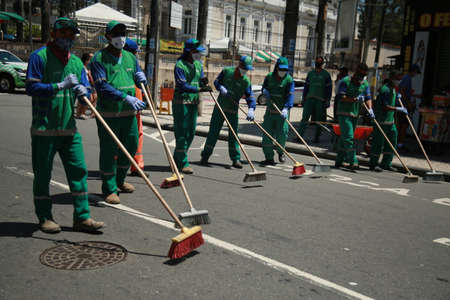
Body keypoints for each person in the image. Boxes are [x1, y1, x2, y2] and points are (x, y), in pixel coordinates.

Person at [26, 17, 104, 233]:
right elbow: (31, 87)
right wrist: (59, 85)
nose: (68, 38)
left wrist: (83, 92)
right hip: (44, 129)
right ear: (54, 34)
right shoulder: (39, 57)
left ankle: (82, 217)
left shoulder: (77, 62)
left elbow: (85, 93)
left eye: (71, 35)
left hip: (69, 129)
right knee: (42, 174)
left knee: (79, 171)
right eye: (64, 34)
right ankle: (44, 217)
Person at [90, 20, 147, 204]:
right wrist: (125, 97)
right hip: (109, 115)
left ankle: (120, 181)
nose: (120, 37)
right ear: (107, 36)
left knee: (130, 148)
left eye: (123, 33)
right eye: (115, 34)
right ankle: (108, 188)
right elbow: (102, 87)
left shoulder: (131, 58)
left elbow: (137, 78)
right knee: (109, 151)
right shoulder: (99, 59)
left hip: (129, 114)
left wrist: (142, 78)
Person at [200, 56, 256, 168]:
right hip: (219, 109)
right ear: (239, 65)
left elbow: (250, 96)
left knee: (234, 136)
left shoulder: (245, 81)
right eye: (244, 68)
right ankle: (205, 156)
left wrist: (251, 109)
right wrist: (221, 87)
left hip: (233, 111)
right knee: (213, 133)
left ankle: (235, 159)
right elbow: (216, 82)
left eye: (247, 69)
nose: (245, 71)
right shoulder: (227, 72)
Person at [173, 38, 211, 174]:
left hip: (193, 103)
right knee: (182, 133)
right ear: (188, 51)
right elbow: (182, 85)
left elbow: (200, 79)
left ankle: (178, 157)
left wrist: (204, 82)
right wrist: (199, 90)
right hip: (181, 103)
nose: (198, 55)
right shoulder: (180, 65)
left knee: (191, 133)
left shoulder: (199, 64)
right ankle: (183, 162)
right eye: (196, 52)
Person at [335, 63, 373, 169]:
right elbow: (342, 97)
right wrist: (355, 99)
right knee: (349, 137)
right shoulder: (345, 81)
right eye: (360, 76)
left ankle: (339, 161)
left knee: (344, 139)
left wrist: (370, 109)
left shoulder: (365, 84)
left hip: (355, 114)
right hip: (344, 113)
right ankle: (353, 161)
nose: (360, 80)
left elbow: (368, 97)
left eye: (363, 77)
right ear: (356, 72)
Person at [370, 70, 408, 172]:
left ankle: (386, 163)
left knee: (392, 142)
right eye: (397, 79)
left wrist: (398, 100)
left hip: (390, 122)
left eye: (400, 79)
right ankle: (373, 164)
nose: (399, 81)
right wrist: (398, 109)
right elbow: (385, 106)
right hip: (381, 121)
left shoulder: (393, 89)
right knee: (378, 144)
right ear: (392, 78)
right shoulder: (385, 89)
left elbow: (393, 102)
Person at [122, 38, 149, 177]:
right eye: (134, 52)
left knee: (137, 135)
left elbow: (140, 84)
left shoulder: (134, 64)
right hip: (123, 106)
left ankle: (137, 166)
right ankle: (117, 168)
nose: (136, 54)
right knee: (122, 137)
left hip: (136, 105)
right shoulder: (120, 64)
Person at [260, 56, 294, 165]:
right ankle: (269, 157)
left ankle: (280, 152)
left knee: (282, 134)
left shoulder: (289, 80)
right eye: (281, 69)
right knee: (266, 135)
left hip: (282, 113)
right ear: (276, 68)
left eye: (285, 69)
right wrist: (265, 91)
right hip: (270, 111)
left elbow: (290, 95)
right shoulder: (269, 77)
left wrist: (286, 108)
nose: (283, 71)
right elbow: (264, 87)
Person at [297, 56, 332, 143]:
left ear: (322, 63)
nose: (318, 63)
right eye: (317, 61)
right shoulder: (310, 74)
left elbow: (329, 89)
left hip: (320, 101)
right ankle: (299, 137)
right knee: (304, 119)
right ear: (315, 62)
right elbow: (306, 87)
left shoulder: (326, 75)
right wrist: (303, 98)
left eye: (320, 61)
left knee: (319, 121)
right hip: (309, 99)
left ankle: (317, 138)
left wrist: (328, 100)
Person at [397, 64, 421, 153]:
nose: (416, 74)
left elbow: (406, 91)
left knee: (402, 124)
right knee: (404, 125)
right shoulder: (407, 78)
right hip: (403, 105)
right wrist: (408, 103)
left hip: (403, 104)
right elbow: (402, 90)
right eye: (416, 72)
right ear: (413, 71)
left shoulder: (406, 78)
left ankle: (399, 143)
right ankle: (400, 144)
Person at [75, 52, 97, 119]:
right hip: (85, 85)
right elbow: (83, 77)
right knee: (86, 99)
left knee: (89, 99)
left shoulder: (85, 67)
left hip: (88, 85)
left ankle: (81, 113)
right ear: (86, 60)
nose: (89, 61)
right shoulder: (82, 66)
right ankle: (80, 113)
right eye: (88, 60)